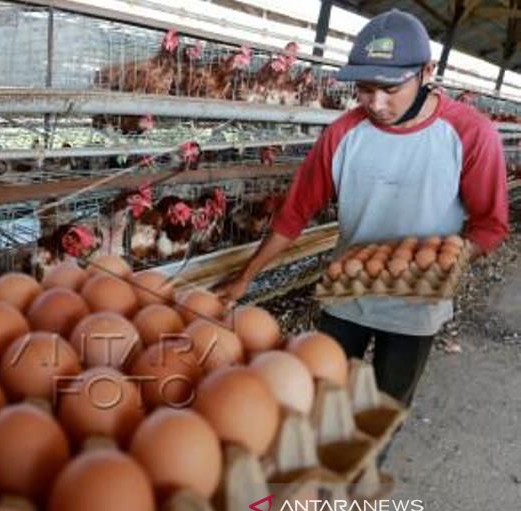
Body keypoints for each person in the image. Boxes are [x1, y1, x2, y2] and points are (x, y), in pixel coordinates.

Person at [215, 9, 509, 406]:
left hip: (416, 305)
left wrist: (442, 261)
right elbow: (293, 215)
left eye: (390, 88)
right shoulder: (343, 134)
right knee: (321, 398)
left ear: (427, 71)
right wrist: (245, 278)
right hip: (346, 293)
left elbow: (490, 225)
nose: (376, 103)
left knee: (383, 411)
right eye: (366, 89)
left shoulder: (471, 134)